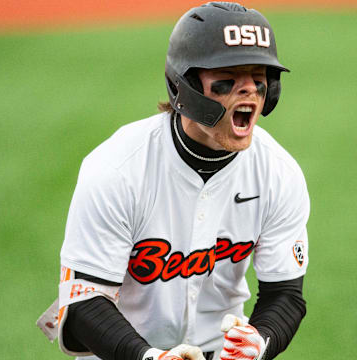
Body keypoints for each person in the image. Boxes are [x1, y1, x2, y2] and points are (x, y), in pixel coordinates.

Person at [56, 2, 310, 360]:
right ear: (185, 84)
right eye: (228, 76)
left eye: (259, 76)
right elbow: (84, 301)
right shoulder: (118, 168)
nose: (250, 89)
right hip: (121, 351)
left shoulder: (277, 172)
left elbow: (284, 293)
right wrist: (148, 356)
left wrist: (259, 343)